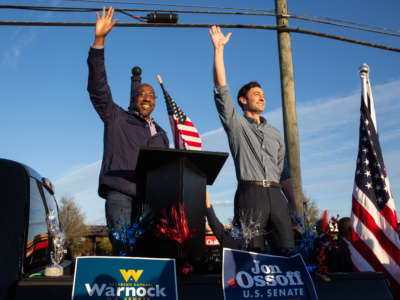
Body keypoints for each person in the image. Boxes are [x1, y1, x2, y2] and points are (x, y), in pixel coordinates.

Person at [87, 7, 169, 255]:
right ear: (134, 99)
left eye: (151, 95)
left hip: (151, 203)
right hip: (121, 197)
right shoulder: (116, 117)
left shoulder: (161, 133)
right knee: (125, 253)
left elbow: (165, 166)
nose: (146, 98)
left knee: (147, 258)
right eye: (142, 94)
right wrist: (99, 42)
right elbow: (98, 88)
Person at [209, 25, 297, 254]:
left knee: (287, 253)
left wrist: (296, 207)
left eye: (263, 94)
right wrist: (219, 50)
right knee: (251, 255)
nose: (262, 96)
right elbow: (221, 89)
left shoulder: (276, 134)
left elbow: (284, 174)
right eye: (256, 94)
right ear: (242, 100)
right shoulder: (236, 125)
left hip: (277, 196)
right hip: (250, 195)